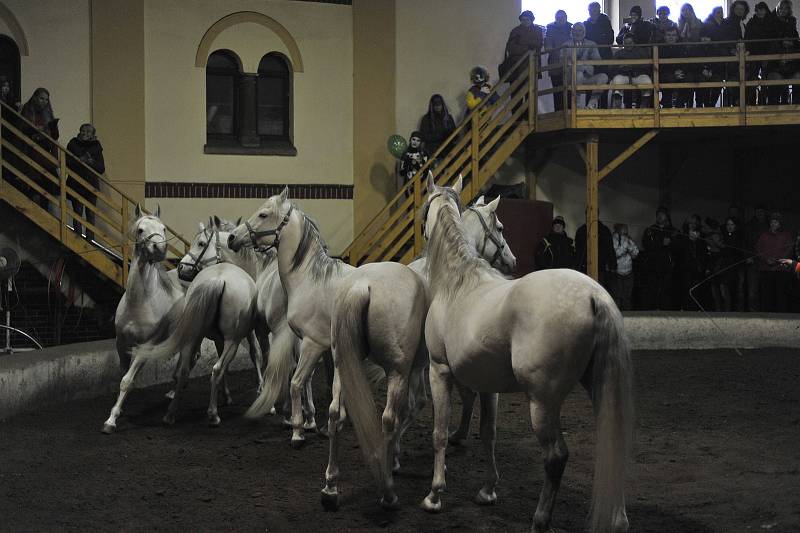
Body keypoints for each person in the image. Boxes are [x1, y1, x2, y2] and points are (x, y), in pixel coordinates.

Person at [20, 88, 59, 209]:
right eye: (42, 98)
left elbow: (55, 136)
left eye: (46, 100)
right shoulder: (27, 110)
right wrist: (37, 130)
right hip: (32, 149)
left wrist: (52, 128)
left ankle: (45, 212)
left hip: (45, 151)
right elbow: (23, 129)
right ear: (35, 97)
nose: (44, 102)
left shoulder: (48, 112)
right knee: (33, 183)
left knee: (47, 185)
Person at [66, 124, 105, 241]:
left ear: (93, 135)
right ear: (79, 131)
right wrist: (79, 161)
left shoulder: (96, 147)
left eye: (88, 132)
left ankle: (90, 241)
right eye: (83, 131)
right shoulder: (73, 144)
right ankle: (77, 239)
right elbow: (66, 162)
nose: (85, 134)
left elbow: (101, 168)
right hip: (76, 184)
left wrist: (91, 161)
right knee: (77, 213)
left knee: (90, 215)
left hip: (91, 186)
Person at [561, 22, 609, 109]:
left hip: (588, 75)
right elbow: (563, 61)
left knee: (604, 77)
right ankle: (577, 105)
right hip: (571, 76)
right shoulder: (566, 45)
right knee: (578, 74)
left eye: (580, 30)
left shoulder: (591, 44)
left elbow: (598, 60)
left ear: (584, 32)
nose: (577, 33)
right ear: (571, 32)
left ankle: (591, 105)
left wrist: (590, 55)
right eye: (575, 30)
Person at [756, 212, 794, 312]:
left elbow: (789, 250)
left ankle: (781, 315)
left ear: (780, 223)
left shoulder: (786, 235)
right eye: (772, 222)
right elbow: (758, 249)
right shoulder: (764, 236)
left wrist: (777, 260)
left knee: (780, 293)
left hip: (780, 270)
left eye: (776, 222)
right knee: (767, 294)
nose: (773, 224)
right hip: (766, 269)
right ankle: (767, 314)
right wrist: (766, 259)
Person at [745, 2, 781, 104]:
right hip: (754, 55)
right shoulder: (751, 23)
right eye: (758, 10)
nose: (760, 12)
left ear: (766, 10)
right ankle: (751, 102)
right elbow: (748, 39)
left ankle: (764, 101)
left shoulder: (772, 23)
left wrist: (769, 55)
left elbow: (774, 40)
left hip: (768, 54)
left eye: (762, 9)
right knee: (752, 78)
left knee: (766, 79)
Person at [642, 206, 677, 309]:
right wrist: (661, 243)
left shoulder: (672, 231)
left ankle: (664, 310)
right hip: (653, 265)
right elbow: (646, 245)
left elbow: (678, 247)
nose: (660, 217)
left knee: (666, 289)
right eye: (658, 215)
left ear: (666, 217)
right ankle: (652, 310)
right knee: (652, 289)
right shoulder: (650, 230)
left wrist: (670, 243)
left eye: (662, 214)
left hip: (667, 265)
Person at [674, 218, 710, 310]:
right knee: (685, 291)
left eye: (696, 232)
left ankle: (695, 309)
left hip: (697, 271)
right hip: (685, 271)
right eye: (692, 231)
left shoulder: (701, 243)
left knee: (697, 291)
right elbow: (679, 256)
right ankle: (685, 308)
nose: (695, 233)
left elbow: (705, 257)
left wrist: (705, 268)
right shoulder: (682, 241)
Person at [611, 32, 654, 108]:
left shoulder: (641, 52)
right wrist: (620, 67)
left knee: (647, 82)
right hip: (623, 76)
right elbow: (612, 67)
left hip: (638, 75)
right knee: (617, 81)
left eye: (630, 43)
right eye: (626, 43)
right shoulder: (618, 53)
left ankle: (644, 107)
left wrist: (634, 66)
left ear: (634, 42)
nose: (628, 45)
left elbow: (647, 65)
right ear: (623, 43)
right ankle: (618, 107)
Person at [584, 2, 614, 108]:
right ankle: (589, 108)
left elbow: (610, 39)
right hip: (590, 58)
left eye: (595, 9)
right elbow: (584, 41)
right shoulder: (585, 24)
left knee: (604, 83)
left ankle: (604, 108)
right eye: (591, 9)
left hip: (604, 57)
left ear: (599, 10)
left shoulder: (605, 22)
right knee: (590, 84)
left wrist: (595, 43)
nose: (592, 11)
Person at [574, 216, 617, 290]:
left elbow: (609, 248)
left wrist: (612, 265)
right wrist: (577, 266)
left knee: (598, 291)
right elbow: (578, 249)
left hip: (600, 268)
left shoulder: (604, 230)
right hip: (584, 267)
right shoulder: (582, 230)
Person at [722, 0, 750, 106]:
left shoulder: (743, 24)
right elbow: (724, 40)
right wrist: (732, 50)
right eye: (737, 8)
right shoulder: (726, 22)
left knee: (746, 80)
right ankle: (735, 104)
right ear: (733, 9)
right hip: (731, 60)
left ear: (745, 11)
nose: (739, 11)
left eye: (742, 9)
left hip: (742, 58)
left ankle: (742, 103)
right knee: (734, 82)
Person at [502, 10, 543, 82]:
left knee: (530, 91)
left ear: (532, 20)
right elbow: (511, 48)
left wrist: (522, 47)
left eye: (527, 19)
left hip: (532, 64)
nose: (525, 21)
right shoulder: (515, 31)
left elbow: (538, 45)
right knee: (515, 91)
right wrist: (527, 48)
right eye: (523, 20)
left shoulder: (538, 30)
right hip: (516, 66)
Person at [698, 7, 727, 107]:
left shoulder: (715, 49)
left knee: (718, 81)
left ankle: (712, 104)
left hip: (714, 70)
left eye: (708, 38)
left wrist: (712, 71)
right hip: (700, 71)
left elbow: (717, 61)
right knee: (701, 81)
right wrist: (702, 70)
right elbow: (695, 63)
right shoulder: (697, 49)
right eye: (703, 38)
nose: (705, 40)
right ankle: (702, 103)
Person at [545, 10, 573, 111]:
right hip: (555, 63)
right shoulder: (550, 29)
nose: (561, 19)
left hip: (569, 64)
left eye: (563, 17)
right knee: (557, 91)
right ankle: (558, 115)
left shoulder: (572, 28)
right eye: (559, 17)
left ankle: (570, 113)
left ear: (566, 18)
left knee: (569, 91)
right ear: (555, 18)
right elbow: (548, 45)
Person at [659, 27, 694, 108]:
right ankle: (667, 104)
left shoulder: (681, 46)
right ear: (664, 36)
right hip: (664, 72)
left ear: (677, 37)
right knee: (668, 79)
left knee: (689, 78)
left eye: (673, 35)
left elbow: (686, 62)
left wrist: (680, 71)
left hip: (680, 71)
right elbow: (660, 65)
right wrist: (673, 72)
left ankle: (680, 103)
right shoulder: (659, 47)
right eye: (668, 35)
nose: (671, 37)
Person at [745, 204, 769, 311]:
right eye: (758, 211)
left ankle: (764, 310)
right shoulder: (749, 225)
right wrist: (747, 256)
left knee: (765, 288)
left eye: (762, 212)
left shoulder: (770, 225)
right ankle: (752, 311)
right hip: (753, 260)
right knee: (752, 289)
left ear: (765, 213)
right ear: (755, 212)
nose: (760, 214)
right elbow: (745, 242)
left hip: (767, 261)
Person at [719, 217, 746, 310]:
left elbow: (740, 253)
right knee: (725, 293)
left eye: (732, 224)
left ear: (735, 226)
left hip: (736, 268)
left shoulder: (739, 237)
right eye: (728, 224)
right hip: (725, 269)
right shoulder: (723, 237)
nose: (729, 227)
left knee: (736, 291)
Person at [611, 223, 639, 310]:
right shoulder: (613, 239)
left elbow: (636, 253)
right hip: (617, 273)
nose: (626, 232)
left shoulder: (628, 239)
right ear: (619, 230)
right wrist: (625, 248)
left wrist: (630, 249)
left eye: (626, 230)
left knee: (627, 297)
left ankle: (628, 317)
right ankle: (617, 317)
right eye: (624, 230)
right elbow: (615, 254)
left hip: (629, 272)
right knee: (617, 297)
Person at [398, 131, 428, 196]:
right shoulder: (405, 154)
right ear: (410, 139)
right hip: (409, 183)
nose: (415, 142)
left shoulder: (424, 154)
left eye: (418, 140)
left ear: (420, 142)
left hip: (421, 182)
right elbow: (402, 172)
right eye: (413, 139)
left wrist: (415, 163)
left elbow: (426, 170)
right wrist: (407, 162)